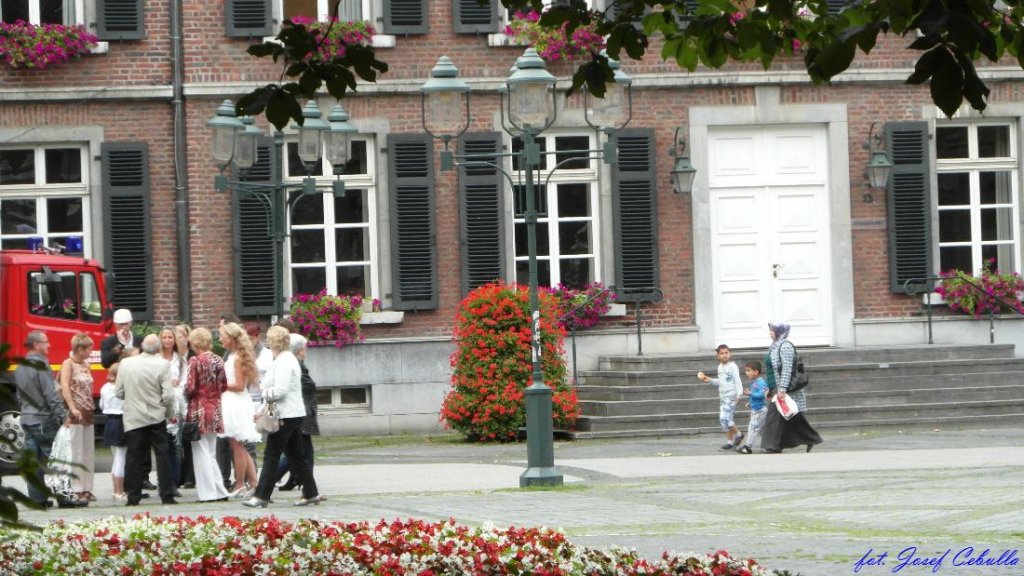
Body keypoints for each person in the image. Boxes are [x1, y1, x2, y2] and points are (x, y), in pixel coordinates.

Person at [243, 326, 322, 508]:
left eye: (269, 340)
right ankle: (311, 493)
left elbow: (280, 391)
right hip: (292, 414)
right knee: (296, 456)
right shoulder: (284, 359)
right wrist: (262, 407)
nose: (268, 343)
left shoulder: (284, 361)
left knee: (272, 454)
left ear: (273, 342)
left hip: (286, 415)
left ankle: (261, 496)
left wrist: (264, 393)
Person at [13, 331, 85, 509]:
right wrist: (63, 416)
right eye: (46, 342)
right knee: (56, 458)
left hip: (27, 418)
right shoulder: (42, 365)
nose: (49, 345)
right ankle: (64, 497)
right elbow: (50, 394)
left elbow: (20, 395)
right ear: (37, 344)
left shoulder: (20, 366)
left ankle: (37, 499)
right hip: (44, 419)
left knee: (33, 462)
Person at [115, 334, 176, 505]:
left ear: (141, 346)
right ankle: (166, 494)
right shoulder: (163, 365)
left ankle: (133, 496)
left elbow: (118, 392)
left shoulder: (126, 363)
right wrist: (168, 413)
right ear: (158, 348)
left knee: (134, 456)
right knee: (162, 456)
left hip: (133, 417)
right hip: (156, 416)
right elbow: (169, 396)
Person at [759, 321, 823, 454]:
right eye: (770, 330)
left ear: (780, 331)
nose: (770, 332)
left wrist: (782, 389)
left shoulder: (785, 346)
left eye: (772, 330)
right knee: (789, 417)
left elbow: (787, 368)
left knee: (776, 418)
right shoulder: (775, 346)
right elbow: (772, 370)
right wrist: (769, 388)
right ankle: (809, 438)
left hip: (784, 389)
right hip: (775, 387)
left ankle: (773, 446)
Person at [185, 327, 231, 503]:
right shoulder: (219, 359)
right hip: (215, 408)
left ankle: (207, 493)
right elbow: (224, 386)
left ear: (195, 342)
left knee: (201, 452)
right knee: (211, 452)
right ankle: (220, 490)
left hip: (200, 409)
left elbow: (190, 388)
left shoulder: (195, 360)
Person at [218, 322, 261, 498]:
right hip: (232, 401)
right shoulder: (233, 355)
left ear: (231, 339)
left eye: (223, 336)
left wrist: (219, 385)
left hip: (235, 402)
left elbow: (239, 385)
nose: (220, 339)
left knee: (237, 445)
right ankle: (254, 482)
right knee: (239, 444)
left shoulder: (237, 358)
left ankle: (240, 483)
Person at [275, 333, 319, 491]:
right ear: (300, 350)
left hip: (299, 413)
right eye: (304, 349)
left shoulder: (294, 364)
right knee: (297, 452)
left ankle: (305, 486)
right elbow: (308, 386)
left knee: (300, 451)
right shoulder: (297, 365)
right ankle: (305, 486)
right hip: (300, 413)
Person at [58, 332, 96, 502]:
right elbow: (64, 386)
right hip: (75, 411)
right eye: (88, 349)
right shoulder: (68, 363)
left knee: (88, 451)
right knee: (76, 451)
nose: (90, 352)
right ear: (79, 349)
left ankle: (87, 487)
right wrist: (72, 408)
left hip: (88, 410)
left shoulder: (86, 364)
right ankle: (75, 487)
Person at [697, 344, 743, 450]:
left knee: (725, 418)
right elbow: (721, 382)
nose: (724, 355)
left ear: (729, 354)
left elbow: (737, 380)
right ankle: (730, 442)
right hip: (723, 397)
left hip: (731, 396)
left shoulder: (732, 366)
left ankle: (739, 435)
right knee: (725, 421)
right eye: (722, 353)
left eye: (726, 353)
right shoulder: (720, 367)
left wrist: (739, 394)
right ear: (718, 356)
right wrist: (709, 380)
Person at [158, 327, 184, 497]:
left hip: (176, 402)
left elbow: (186, 379)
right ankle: (163, 482)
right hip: (161, 403)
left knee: (175, 445)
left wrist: (178, 382)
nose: (167, 340)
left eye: (170, 337)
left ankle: (174, 482)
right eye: (164, 337)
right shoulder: (156, 359)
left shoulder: (180, 360)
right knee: (163, 446)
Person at [171, 324, 196, 489]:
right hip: (174, 399)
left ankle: (190, 476)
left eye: (181, 336)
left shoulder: (192, 356)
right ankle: (177, 475)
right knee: (175, 439)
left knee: (188, 438)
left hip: (188, 399)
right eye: (176, 336)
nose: (179, 339)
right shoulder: (171, 356)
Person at [99, 362, 128, 503]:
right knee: (121, 458)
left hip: (109, 422)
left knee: (116, 457)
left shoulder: (105, 388)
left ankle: (115, 490)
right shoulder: (123, 388)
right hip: (121, 421)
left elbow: (101, 405)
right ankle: (119, 491)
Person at [736, 360, 768, 455]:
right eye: (746, 370)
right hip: (757, 408)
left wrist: (751, 394)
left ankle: (747, 447)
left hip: (759, 410)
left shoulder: (760, 382)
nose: (746, 373)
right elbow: (756, 396)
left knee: (753, 427)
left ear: (756, 372)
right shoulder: (755, 382)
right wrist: (750, 403)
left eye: (748, 370)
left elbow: (762, 395)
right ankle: (767, 446)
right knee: (759, 428)